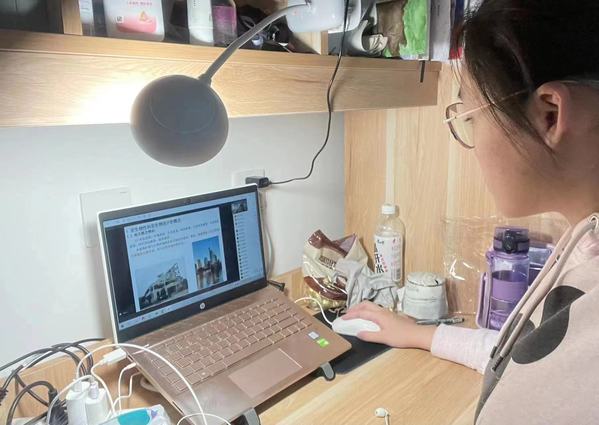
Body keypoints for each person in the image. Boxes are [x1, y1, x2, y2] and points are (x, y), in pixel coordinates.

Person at [344, 1, 599, 423]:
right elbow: (522, 356)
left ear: (550, 116)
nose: (471, 144)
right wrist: (420, 334)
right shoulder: (585, 241)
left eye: (470, 117)